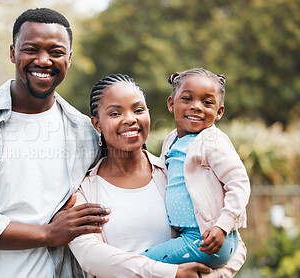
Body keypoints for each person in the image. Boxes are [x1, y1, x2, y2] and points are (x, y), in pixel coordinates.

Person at [0, 8, 110, 278]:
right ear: (13, 53)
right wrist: (48, 234)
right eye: (31, 49)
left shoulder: (84, 131)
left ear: (69, 58)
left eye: (56, 52)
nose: (44, 60)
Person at [68, 73, 247, 278]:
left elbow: (236, 245)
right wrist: (170, 273)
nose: (130, 119)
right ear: (97, 124)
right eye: (115, 113)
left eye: (138, 110)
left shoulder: (174, 172)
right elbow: (91, 257)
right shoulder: (84, 191)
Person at [141, 68, 251, 269]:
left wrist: (222, 226)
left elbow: (239, 184)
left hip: (207, 237)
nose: (197, 107)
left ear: (219, 112)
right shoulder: (171, 140)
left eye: (207, 102)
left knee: (140, 263)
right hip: (187, 235)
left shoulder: (212, 141)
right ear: (171, 103)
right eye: (187, 99)